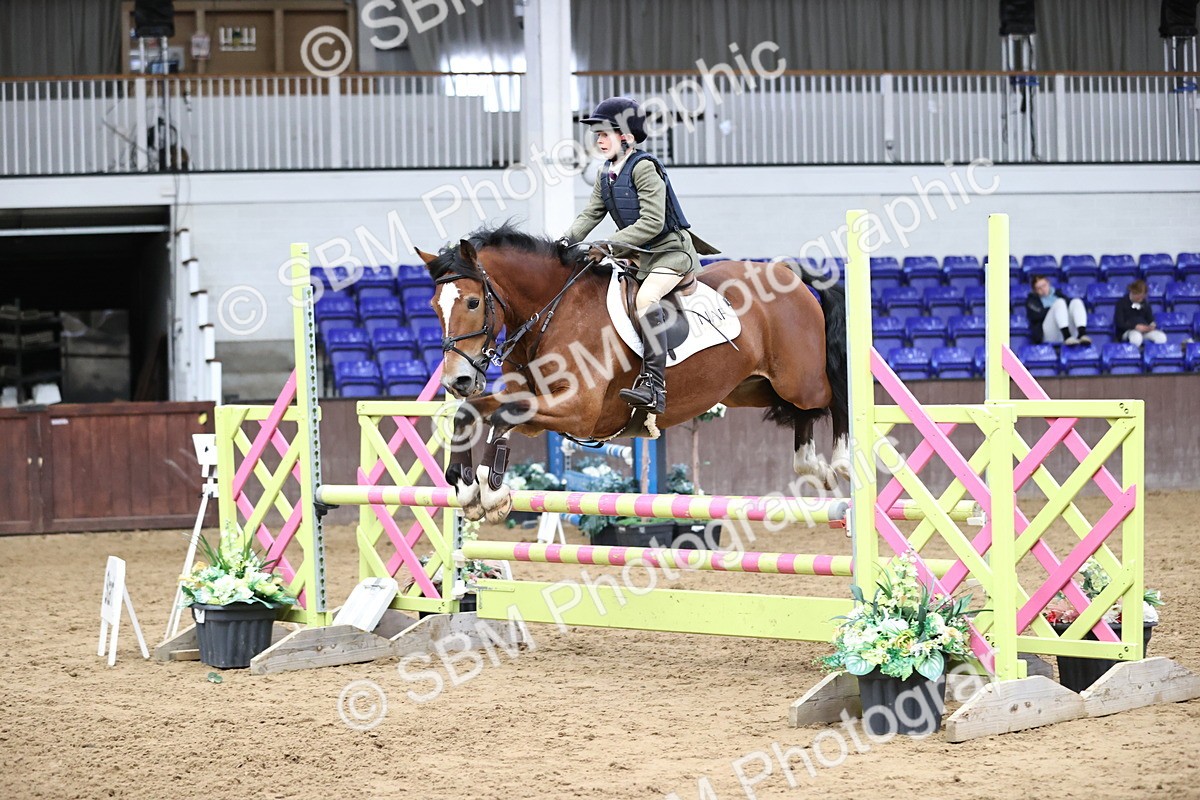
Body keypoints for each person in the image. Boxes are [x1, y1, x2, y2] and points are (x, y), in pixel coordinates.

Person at [560, 96, 718, 415]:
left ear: (626, 137)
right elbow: (591, 213)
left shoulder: (644, 167)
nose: (599, 140)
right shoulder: (606, 173)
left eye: (605, 133)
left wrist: (609, 244)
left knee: (645, 300)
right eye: (598, 135)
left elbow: (652, 221)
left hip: (670, 253)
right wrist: (564, 241)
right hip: (639, 256)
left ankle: (654, 386)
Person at [1025, 274, 1090, 346]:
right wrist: (1053, 308)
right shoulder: (1032, 300)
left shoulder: (1058, 294)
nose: (1043, 289)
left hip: (1068, 329)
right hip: (1050, 333)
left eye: (1044, 285)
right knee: (1059, 303)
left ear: (1048, 283)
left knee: (1076, 301)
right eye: (1039, 288)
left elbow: (1070, 307)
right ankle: (1067, 336)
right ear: (1035, 291)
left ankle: (1082, 334)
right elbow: (1036, 315)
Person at [1114, 279, 1167, 346]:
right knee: (1136, 337)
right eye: (1139, 297)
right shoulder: (1121, 303)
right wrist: (1135, 327)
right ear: (1133, 292)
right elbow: (1119, 323)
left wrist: (1151, 325)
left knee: (1161, 337)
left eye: (1142, 297)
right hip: (1128, 331)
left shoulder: (1145, 303)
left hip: (1144, 331)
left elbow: (1150, 319)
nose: (1141, 299)